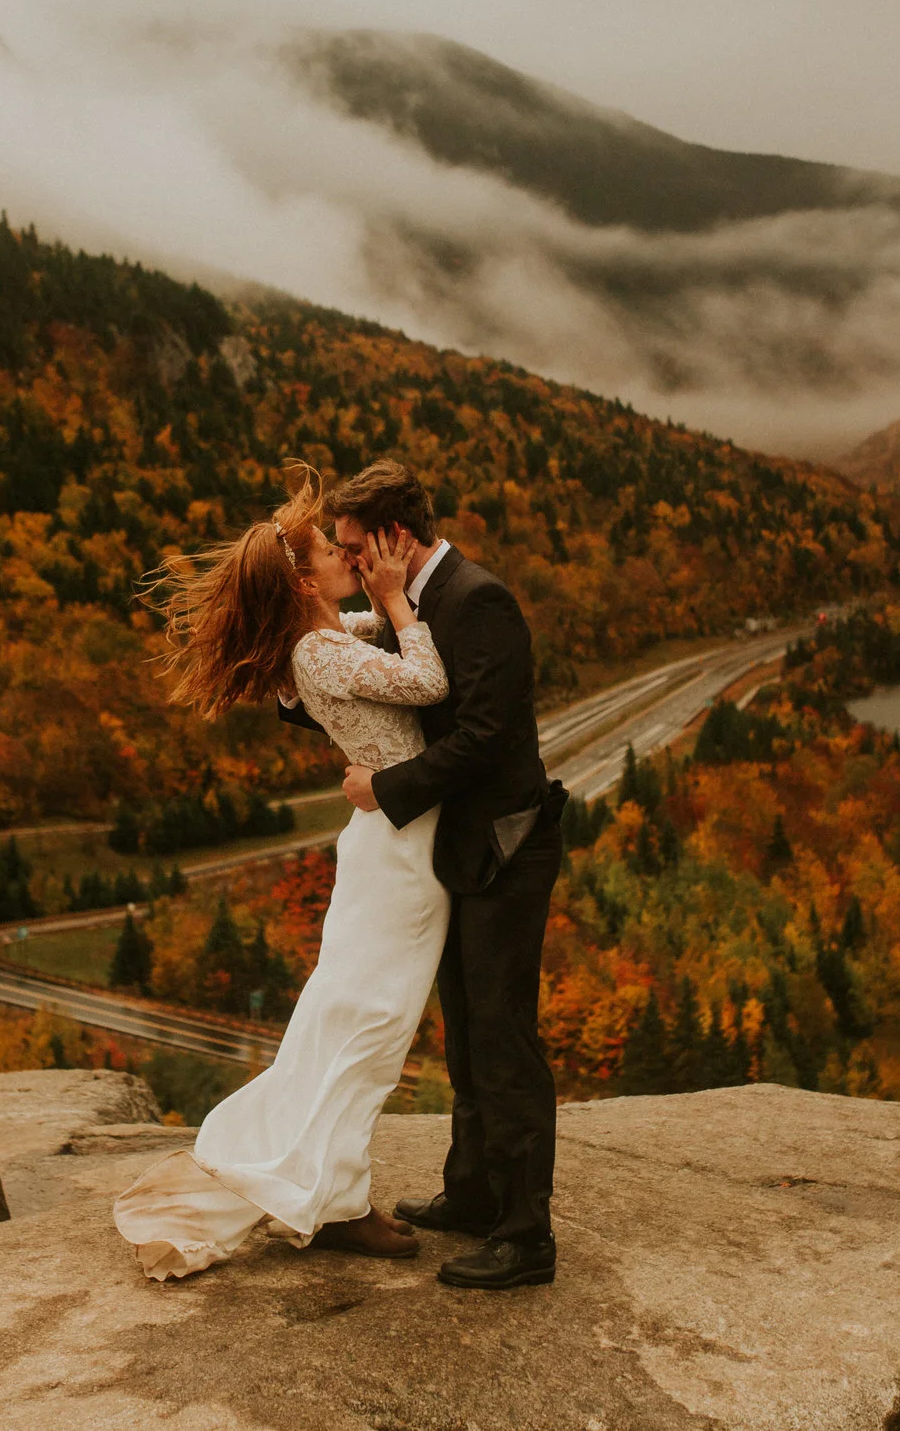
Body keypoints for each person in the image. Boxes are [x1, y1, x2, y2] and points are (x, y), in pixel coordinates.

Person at [111, 465, 449, 1278]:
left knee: (356, 1020)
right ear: (305, 579)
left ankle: (333, 1188)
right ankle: (337, 1198)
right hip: (401, 856)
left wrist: (389, 596)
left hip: (392, 844)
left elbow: (372, 634)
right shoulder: (320, 653)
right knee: (370, 1026)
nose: (350, 556)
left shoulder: (327, 639)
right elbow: (428, 679)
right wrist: (402, 602)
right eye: (334, 552)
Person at [312, 460, 564, 1292]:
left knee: (503, 1042)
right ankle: (474, 1192)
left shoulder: (475, 598)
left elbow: (484, 736)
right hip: (459, 851)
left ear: (395, 536)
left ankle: (527, 1236)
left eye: (354, 546)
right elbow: (365, 675)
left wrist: (381, 790)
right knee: (467, 1029)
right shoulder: (412, 604)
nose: (348, 560)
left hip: (506, 845)